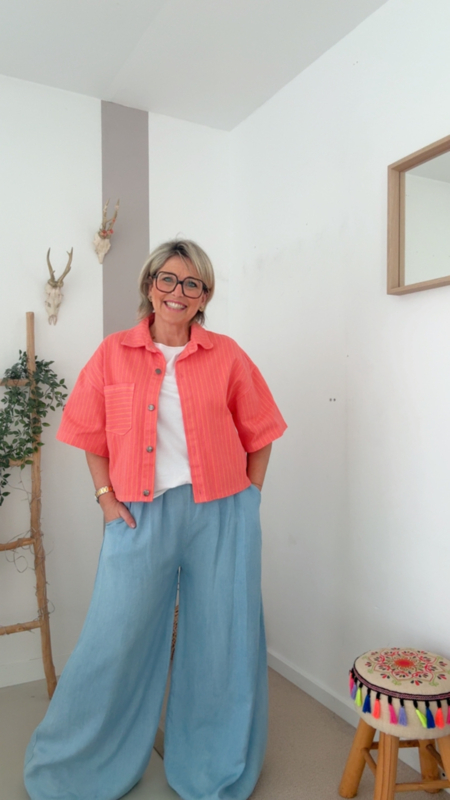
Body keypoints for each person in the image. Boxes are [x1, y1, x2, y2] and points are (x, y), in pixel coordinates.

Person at [24, 239, 287, 800]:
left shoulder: (227, 355)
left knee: (223, 642)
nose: (178, 292)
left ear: (204, 296)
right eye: (168, 279)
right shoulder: (112, 353)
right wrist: (105, 498)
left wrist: (249, 498)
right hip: (137, 514)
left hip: (221, 512)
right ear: (149, 285)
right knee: (113, 639)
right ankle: (77, 767)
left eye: (192, 283)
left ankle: (213, 768)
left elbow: (261, 429)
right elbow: (91, 435)